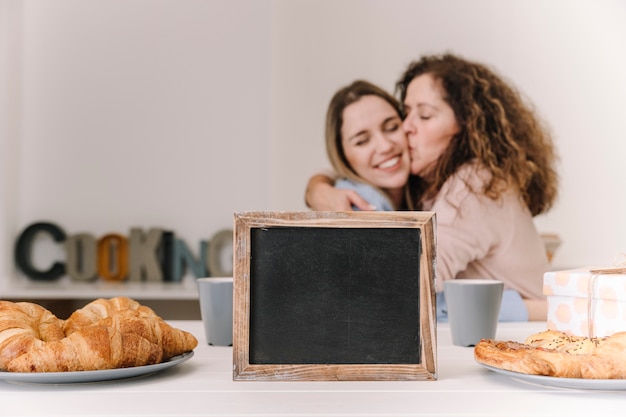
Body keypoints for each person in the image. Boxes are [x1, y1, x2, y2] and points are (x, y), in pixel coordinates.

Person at [305, 53, 558, 321]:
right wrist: (318, 188)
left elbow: (409, 286)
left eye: (424, 116)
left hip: (522, 340)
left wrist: (531, 309)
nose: (406, 128)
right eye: (406, 113)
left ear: (466, 124)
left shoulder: (474, 184)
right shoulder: (422, 184)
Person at [324, 80, 412, 211]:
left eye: (391, 128)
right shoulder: (358, 206)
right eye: (362, 141)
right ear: (342, 155)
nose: (385, 146)